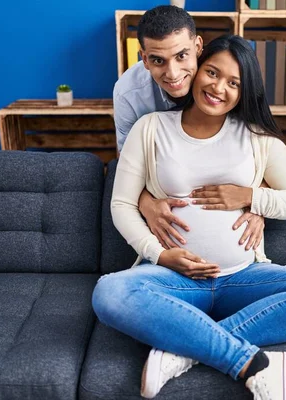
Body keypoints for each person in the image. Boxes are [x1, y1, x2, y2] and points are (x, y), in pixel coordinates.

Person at [94, 35, 286, 400]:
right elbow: (122, 204)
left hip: (243, 278)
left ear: (245, 93)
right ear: (198, 69)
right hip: (173, 280)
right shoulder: (150, 128)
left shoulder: (258, 138)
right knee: (110, 292)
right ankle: (248, 361)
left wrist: (251, 197)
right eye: (212, 72)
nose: (218, 87)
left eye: (234, 83)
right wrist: (159, 254)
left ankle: (182, 348)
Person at [114, 5, 266, 259]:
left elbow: (264, 152)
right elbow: (126, 164)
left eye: (181, 55)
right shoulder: (129, 94)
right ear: (144, 58)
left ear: (198, 47)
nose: (173, 74)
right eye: (158, 60)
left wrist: (257, 202)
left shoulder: (223, 79)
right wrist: (146, 204)